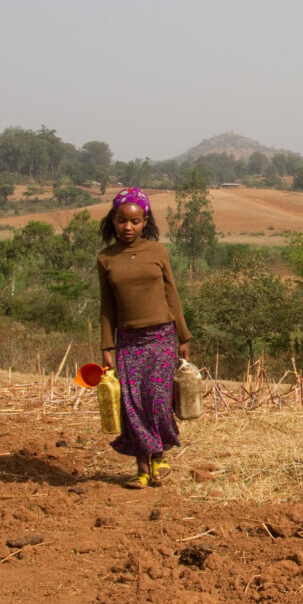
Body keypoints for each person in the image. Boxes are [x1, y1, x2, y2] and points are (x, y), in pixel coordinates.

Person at [96, 187, 191, 488]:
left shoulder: (158, 252)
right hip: (128, 339)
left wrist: (183, 336)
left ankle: (159, 456)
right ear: (113, 219)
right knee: (132, 403)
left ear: (145, 221)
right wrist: (106, 344)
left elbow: (171, 294)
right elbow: (107, 304)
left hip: (161, 334)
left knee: (158, 399)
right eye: (122, 220)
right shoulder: (106, 258)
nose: (128, 227)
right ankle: (141, 469)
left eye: (135, 222)